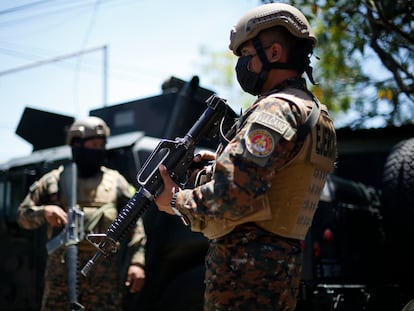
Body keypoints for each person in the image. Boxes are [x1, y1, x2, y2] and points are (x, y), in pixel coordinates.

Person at [155, 3, 337, 311]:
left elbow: (233, 196)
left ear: (275, 53)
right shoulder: (316, 113)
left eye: (246, 55)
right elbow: (277, 177)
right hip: (278, 270)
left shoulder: (275, 109)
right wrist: (218, 164)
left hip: (245, 275)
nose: (243, 66)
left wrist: (175, 201)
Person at [17, 116, 146, 310]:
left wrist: (137, 263)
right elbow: (23, 216)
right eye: (93, 144)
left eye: (102, 145)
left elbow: (135, 221)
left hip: (104, 278)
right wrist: (44, 212)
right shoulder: (53, 180)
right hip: (62, 277)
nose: (98, 150)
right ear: (76, 145)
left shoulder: (116, 182)